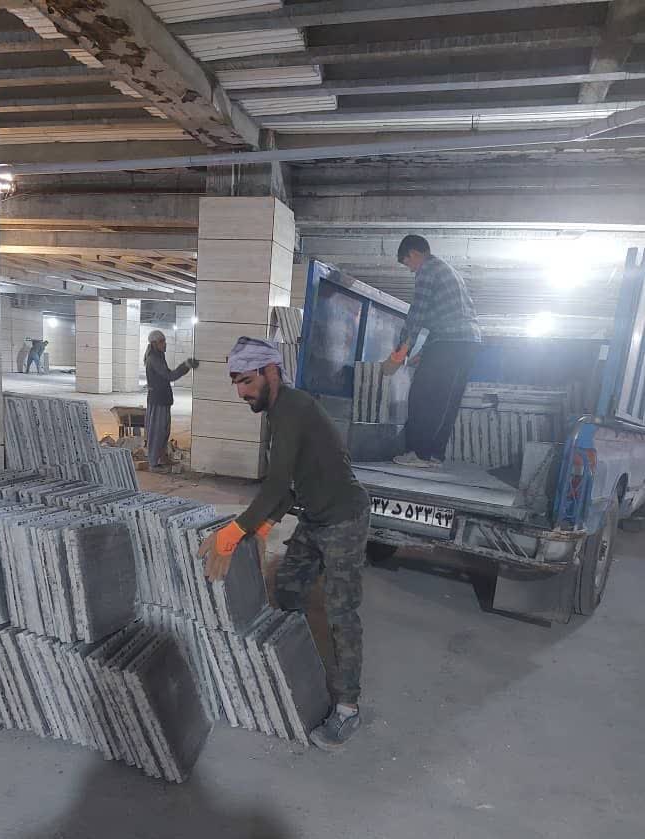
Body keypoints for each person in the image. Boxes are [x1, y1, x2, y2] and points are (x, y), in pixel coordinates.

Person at [199, 337, 370, 751]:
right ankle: (294, 664)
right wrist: (266, 525)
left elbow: (275, 482)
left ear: (271, 371)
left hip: (343, 518)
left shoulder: (294, 407)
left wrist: (235, 531)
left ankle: (347, 708)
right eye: (236, 384)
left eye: (246, 381)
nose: (241, 392)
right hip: (314, 515)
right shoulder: (278, 411)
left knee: (340, 611)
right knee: (289, 590)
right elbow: (293, 482)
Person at [387, 234, 481, 469]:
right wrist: (425, 351)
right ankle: (433, 455)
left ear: (414, 253)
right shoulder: (447, 270)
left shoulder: (427, 270)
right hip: (468, 342)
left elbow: (417, 313)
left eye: (408, 263)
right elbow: (442, 317)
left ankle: (418, 453)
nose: (411, 270)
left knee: (422, 394)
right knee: (447, 400)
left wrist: (401, 350)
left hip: (450, 342)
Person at [144, 329, 197, 472]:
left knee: (164, 431)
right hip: (157, 400)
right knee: (157, 432)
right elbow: (170, 376)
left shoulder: (159, 356)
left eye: (164, 341)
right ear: (154, 344)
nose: (165, 344)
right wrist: (185, 365)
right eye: (162, 342)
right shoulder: (154, 358)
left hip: (162, 399)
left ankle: (162, 458)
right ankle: (153, 463)